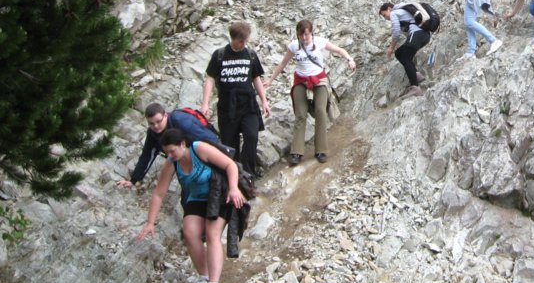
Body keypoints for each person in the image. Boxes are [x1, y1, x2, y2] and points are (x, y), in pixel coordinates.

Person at [136, 129, 246, 283]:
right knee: (189, 233)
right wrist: (150, 223)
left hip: (219, 193)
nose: (170, 155)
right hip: (197, 197)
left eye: (172, 151)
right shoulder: (172, 162)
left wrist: (234, 188)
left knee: (212, 234)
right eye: (167, 152)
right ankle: (204, 276)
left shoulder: (199, 149)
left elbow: (230, 165)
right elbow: (158, 193)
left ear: (182, 144)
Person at [264, 20, 355, 166]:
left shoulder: (319, 42)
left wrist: (349, 60)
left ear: (312, 33)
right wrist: (270, 80)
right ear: (298, 35)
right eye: (302, 35)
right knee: (300, 114)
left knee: (320, 111)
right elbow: (283, 64)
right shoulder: (294, 46)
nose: (305, 38)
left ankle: (321, 150)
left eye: (307, 34)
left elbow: (339, 50)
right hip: (301, 79)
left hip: (319, 79)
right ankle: (297, 152)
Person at [200, 21, 271, 178]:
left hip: (248, 105)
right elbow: (210, 79)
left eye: (246, 41)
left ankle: (249, 174)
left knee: (252, 136)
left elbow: (256, 78)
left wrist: (264, 101)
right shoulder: (219, 55)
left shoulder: (250, 54)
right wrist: (205, 104)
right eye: (241, 41)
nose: (244, 44)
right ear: (233, 38)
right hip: (227, 107)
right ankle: (237, 177)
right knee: (230, 144)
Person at [117, 103, 222, 188]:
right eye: (151, 123)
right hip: (184, 163)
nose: (156, 126)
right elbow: (147, 155)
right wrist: (133, 180)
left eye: (158, 121)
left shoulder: (181, 121)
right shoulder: (152, 133)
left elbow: (209, 139)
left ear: (166, 115)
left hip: (208, 154)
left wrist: (222, 161)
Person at [379, 2, 431, 98]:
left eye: (385, 15)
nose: (385, 18)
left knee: (406, 57)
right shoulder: (403, 12)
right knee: (399, 53)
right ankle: (416, 75)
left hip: (418, 34)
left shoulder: (395, 13)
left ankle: (415, 87)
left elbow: (396, 33)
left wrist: (391, 48)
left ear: (389, 9)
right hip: (424, 35)